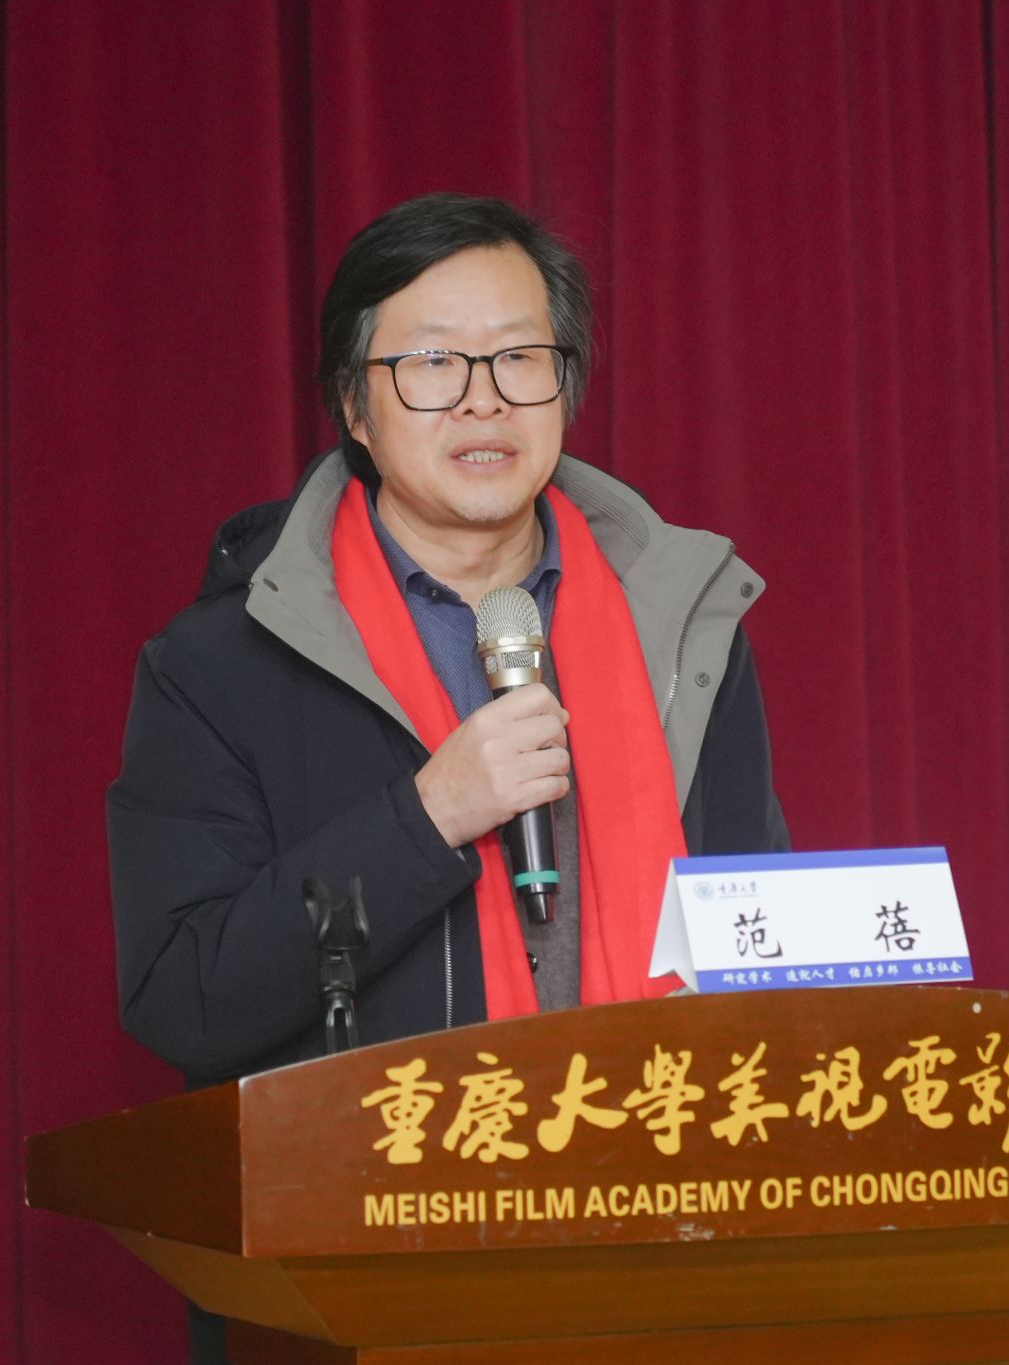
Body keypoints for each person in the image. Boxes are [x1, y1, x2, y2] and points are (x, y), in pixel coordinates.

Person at [108, 192, 787, 1093]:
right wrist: (426, 818)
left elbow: (761, 941)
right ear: (354, 405)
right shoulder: (219, 667)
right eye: (433, 362)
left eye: (518, 357)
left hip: (659, 1151)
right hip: (383, 1169)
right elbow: (183, 999)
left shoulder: (681, 627)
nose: (483, 399)